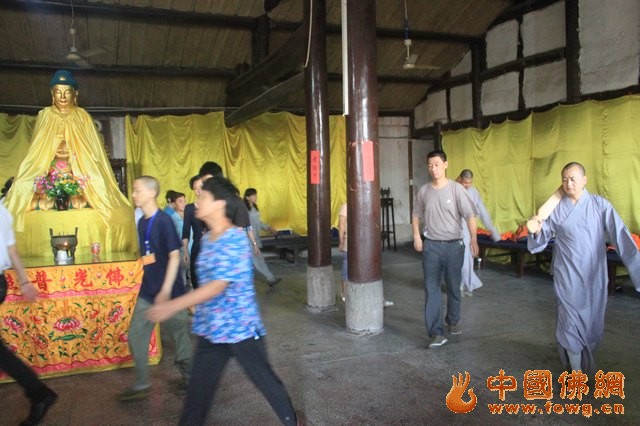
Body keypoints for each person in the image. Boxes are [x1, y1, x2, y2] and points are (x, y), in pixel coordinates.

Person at [146, 176, 298, 426]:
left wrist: (173, 305)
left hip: (241, 330)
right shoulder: (208, 239)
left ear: (219, 204)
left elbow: (217, 285)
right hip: (211, 329)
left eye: (203, 197)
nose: (197, 202)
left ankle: (291, 421)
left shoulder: (235, 239)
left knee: (266, 382)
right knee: (198, 393)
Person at [527, 162, 640, 374]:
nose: (568, 183)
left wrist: (637, 268)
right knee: (569, 320)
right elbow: (542, 235)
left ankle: (581, 358)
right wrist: (536, 230)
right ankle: (576, 370)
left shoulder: (599, 205)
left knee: (591, 323)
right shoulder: (556, 208)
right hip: (567, 273)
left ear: (584, 180)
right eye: (564, 179)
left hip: (594, 273)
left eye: (573, 179)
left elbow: (620, 234)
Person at [5, 70, 133, 231]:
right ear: (52, 94)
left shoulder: (82, 116)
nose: (63, 97)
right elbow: (37, 148)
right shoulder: (45, 115)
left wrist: (76, 159)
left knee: (99, 188)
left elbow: (91, 149)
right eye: (58, 92)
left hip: (78, 166)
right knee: (22, 186)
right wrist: (48, 159)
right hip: (49, 165)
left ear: (75, 94)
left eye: (67, 92)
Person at [119, 176, 192, 401]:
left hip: (170, 292)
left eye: (137, 190)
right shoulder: (142, 222)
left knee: (179, 334)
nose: (133, 194)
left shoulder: (163, 221)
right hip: (149, 290)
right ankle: (142, 383)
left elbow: (174, 256)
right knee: (136, 334)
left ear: (151, 193)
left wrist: (166, 290)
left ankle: (191, 379)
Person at [412, 150, 478, 348]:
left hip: (454, 246)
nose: (433, 169)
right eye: (430, 165)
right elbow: (416, 214)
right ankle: (436, 332)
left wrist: (474, 239)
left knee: (453, 285)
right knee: (431, 287)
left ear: (445, 165)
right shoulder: (424, 191)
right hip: (431, 246)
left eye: (437, 164)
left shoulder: (457, 189)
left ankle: (453, 319)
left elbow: (470, 215)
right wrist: (417, 236)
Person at [1, 203, 58, 425]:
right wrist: (24, 282)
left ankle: (39, 393)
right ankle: (38, 393)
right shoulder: (2, 210)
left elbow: (11, 249)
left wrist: (25, 282)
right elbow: (12, 249)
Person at [456, 169, 501, 296]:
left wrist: (492, 230)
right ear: (460, 179)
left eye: (470, 183)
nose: (467, 185)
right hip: (453, 229)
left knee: (468, 259)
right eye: (465, 182)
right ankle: (460, 285)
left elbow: (482, 211)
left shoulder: (474, 192)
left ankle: (466, 285)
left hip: (467, 229)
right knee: (458, 260)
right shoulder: (452, 189)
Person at [339, 203, 393, 307]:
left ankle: (379, 299)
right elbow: (341, 225)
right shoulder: (346, 206)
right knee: (347, 269)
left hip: (366, 244)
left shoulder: (367, 203)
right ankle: (345, 293)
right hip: (350, 243)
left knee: (371, 270)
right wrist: (341, 241)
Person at [244, 188, 281, 286]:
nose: (255, 197)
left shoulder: (254, 208)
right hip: (248, 239)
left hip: (254, 237)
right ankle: (270, 278)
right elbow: (245, 226)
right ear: (247, 197)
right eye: (253, 195)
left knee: (256, 260)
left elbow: (259, 223)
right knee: (258, 260)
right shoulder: (244, 210)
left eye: (255, 195)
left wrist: (268, 227)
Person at [183, 175, 207, 289]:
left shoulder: (214, 205)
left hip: (213, 246)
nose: (198, 191)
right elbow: (186, 231)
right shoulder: (189, 208)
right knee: (196, 279)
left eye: (201, 187)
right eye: (195, 188)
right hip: (197, 247)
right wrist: (185, 250)